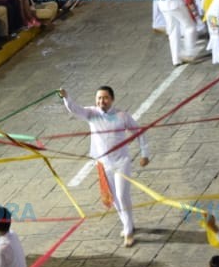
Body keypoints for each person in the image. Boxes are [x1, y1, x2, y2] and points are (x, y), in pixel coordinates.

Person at [58, 86, 150, 247]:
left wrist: (145, 153)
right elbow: (74, 109)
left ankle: (128, 232)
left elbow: (139, 132)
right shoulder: (91, 114)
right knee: (114, 197)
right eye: (99, 98)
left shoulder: (122, 116)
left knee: (122, 196)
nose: (102, 101)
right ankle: (128, 224)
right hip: (104, 164)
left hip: (121, 163)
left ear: (112, 99)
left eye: (105, 98)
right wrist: (66, 97)